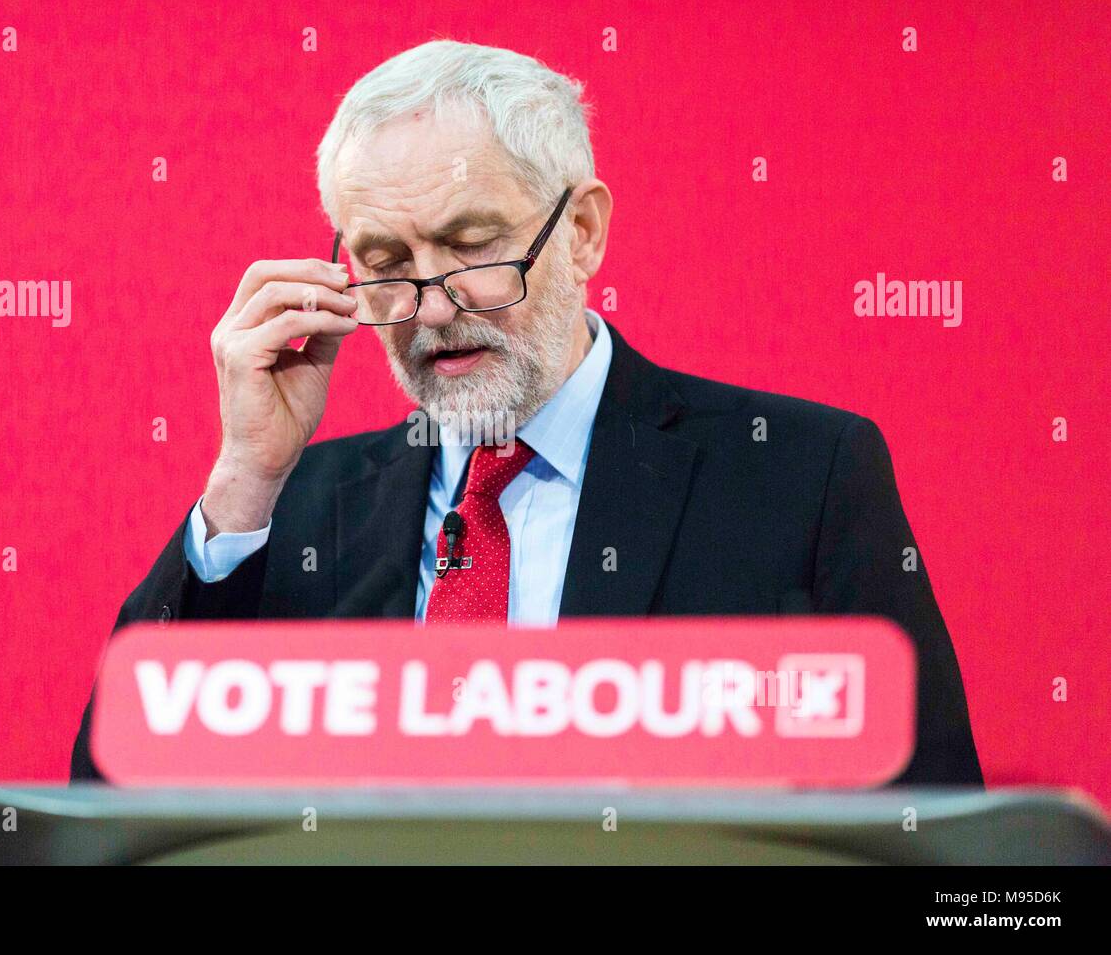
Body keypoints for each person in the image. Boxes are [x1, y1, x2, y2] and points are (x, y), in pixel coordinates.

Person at [71, 40, 982, 786]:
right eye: (386, 260)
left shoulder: (799, 476)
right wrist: (245, 479)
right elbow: (110, 805)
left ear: (582, 232)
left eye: (472, 246)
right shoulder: (296, 509)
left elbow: (938, 842)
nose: (430, 307)